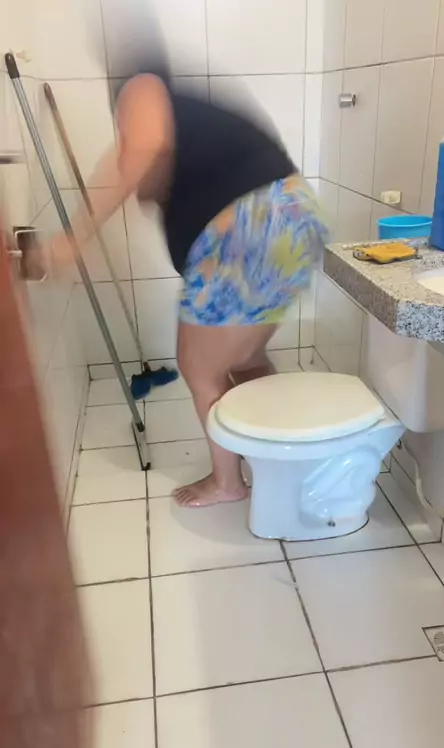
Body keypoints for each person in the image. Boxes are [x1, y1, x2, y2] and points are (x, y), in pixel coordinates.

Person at [34, 70, 326, 508]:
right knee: (245, 359)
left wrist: (73, 238)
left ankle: (228, 483)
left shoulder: (143, 86)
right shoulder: (192, 120)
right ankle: (279, 457)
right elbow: (148, 170)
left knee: (200, 368)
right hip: (290, 217)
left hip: (248, 227)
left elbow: (143, 150)